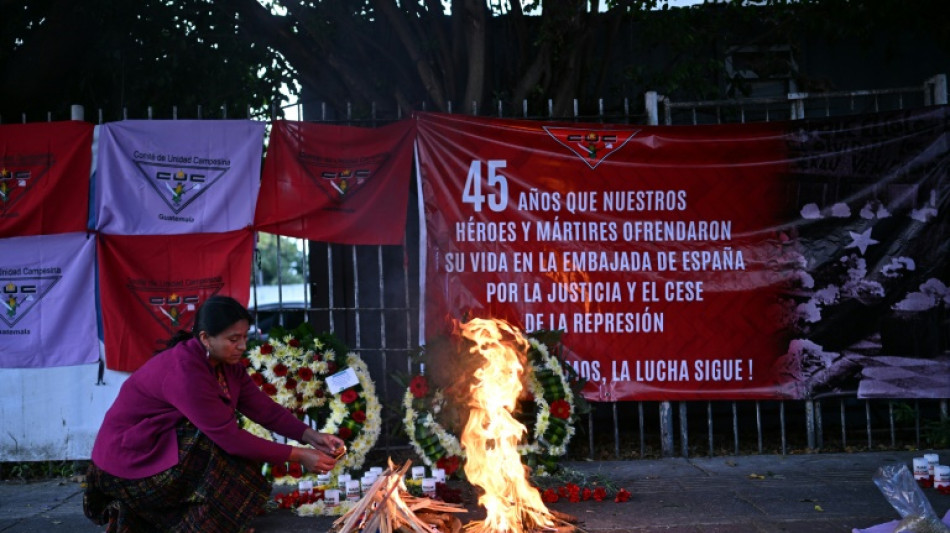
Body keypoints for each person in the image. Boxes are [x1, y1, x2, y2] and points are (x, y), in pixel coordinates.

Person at [83, 295, 345, 532]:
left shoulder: (226, 363)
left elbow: (261, 408)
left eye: (244, 337)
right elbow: (229, 438)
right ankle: (199, 525)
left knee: (223, 447)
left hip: (156, 447)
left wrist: (311, 436)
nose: (242, 346)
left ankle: (206, 520)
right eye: (234, 339)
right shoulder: (186, 371)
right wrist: (298, 455)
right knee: (211, 445)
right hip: (126, 462)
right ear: (206, 338)